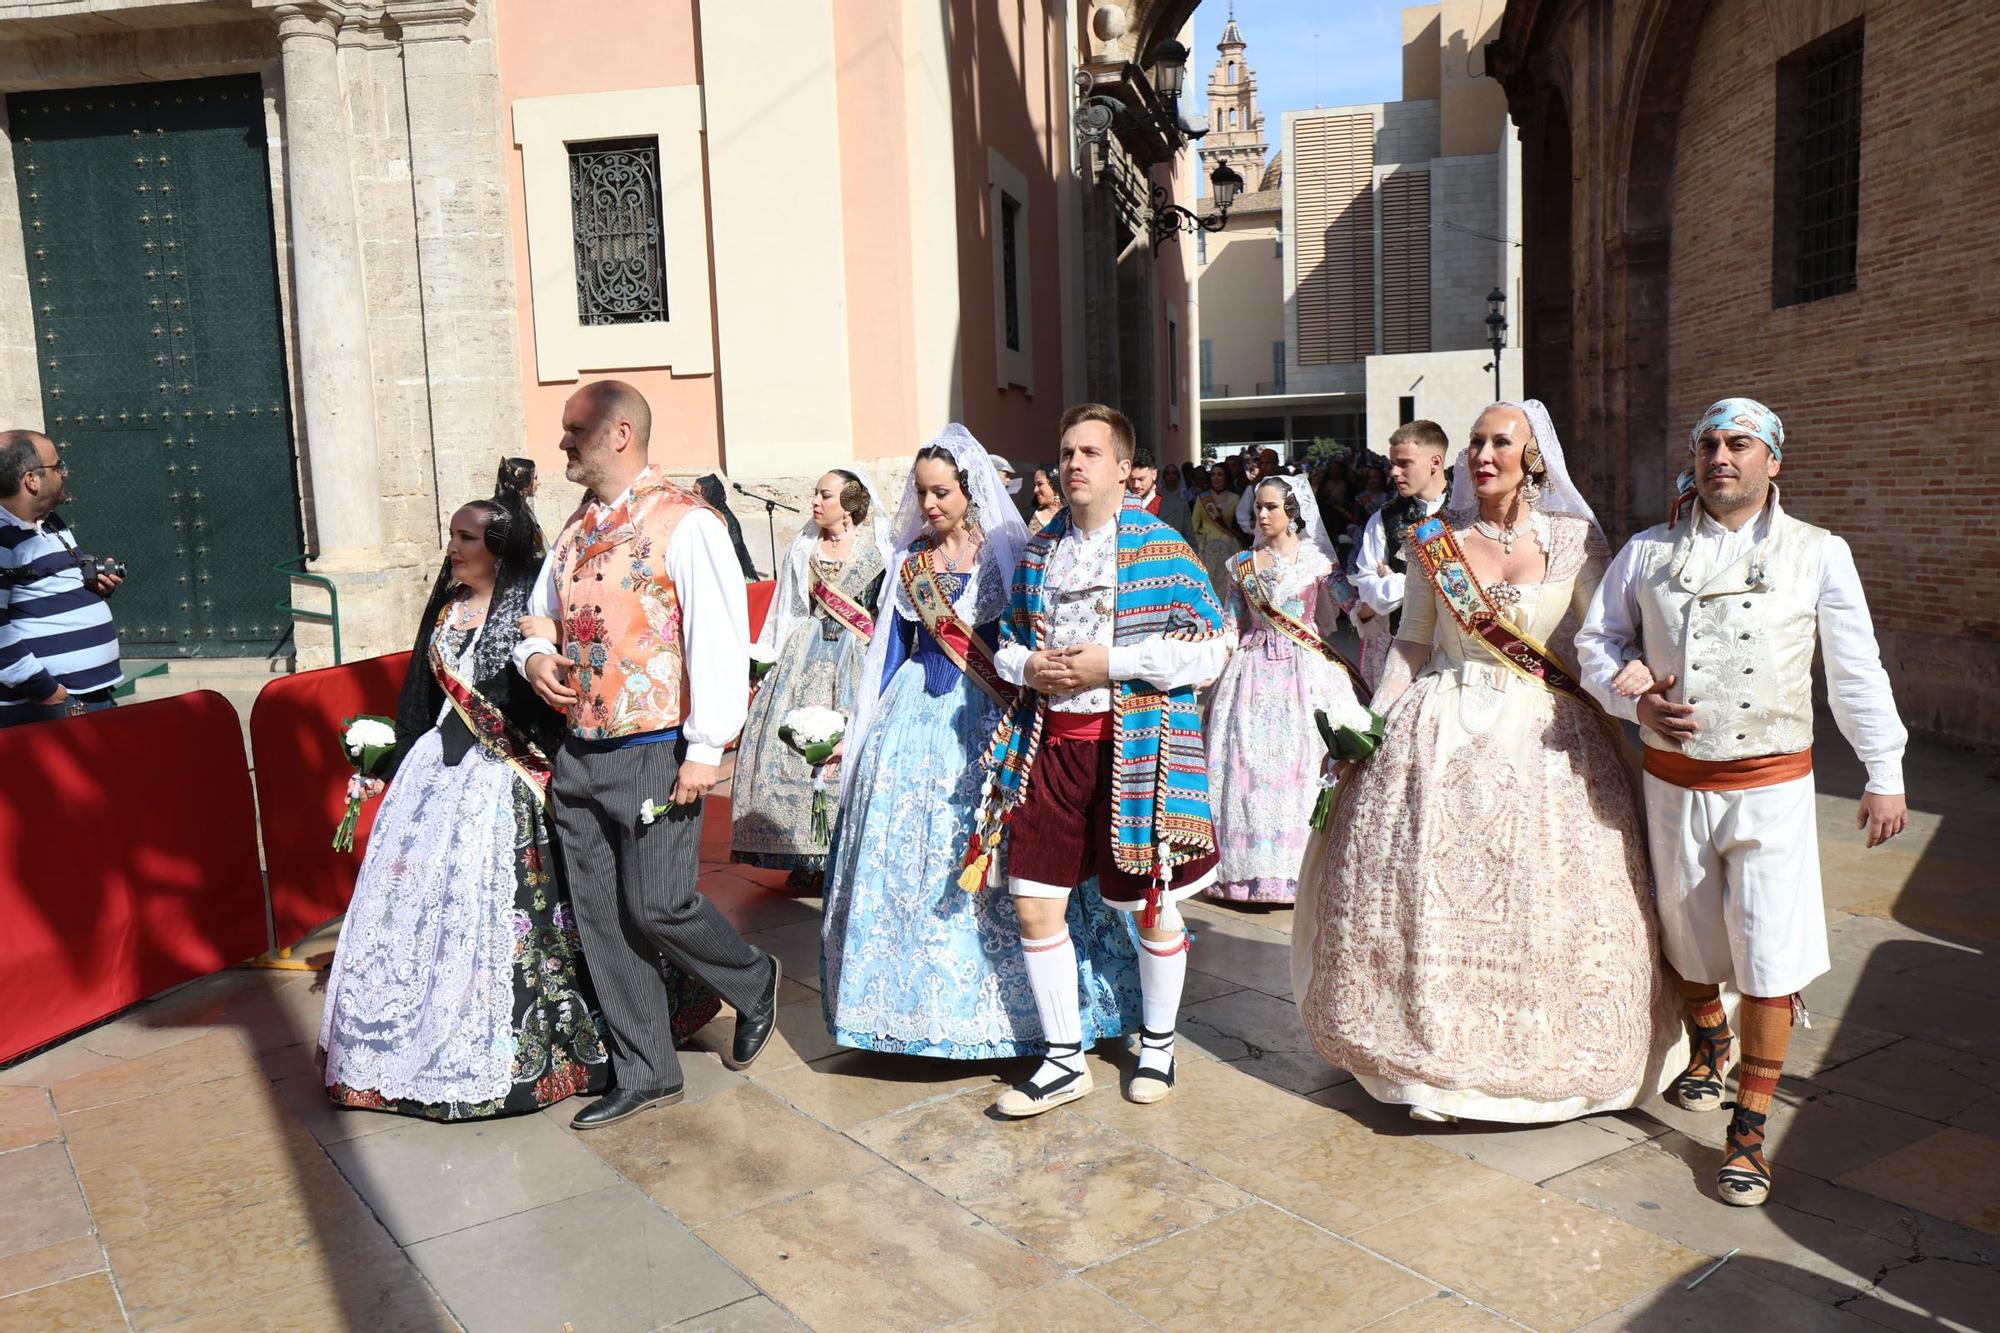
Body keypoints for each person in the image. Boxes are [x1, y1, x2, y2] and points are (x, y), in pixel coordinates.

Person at [1293, 400, 1683, 1124]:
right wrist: (1370, 721)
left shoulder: (1572, 540)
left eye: (1501, 440)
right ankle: (1428, 1057)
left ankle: (1537, 1050)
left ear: (1533, 456)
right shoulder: (1433, 540)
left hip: (1542, 730)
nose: (1483, 452)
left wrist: (1641, 678)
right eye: (1474, 440)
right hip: (1440, 723)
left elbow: (1602, 637)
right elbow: (1411, 642)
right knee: (1424, 892)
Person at [1577, 397, 1908, 1207]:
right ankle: (1708, 1039)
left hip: (1773, 790)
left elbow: (1856, 665)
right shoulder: (1647, 553)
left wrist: (1884, 766)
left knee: (1770, 956)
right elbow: (1597, 642)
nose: (1720, 455)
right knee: (1688, 943)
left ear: (1774, 462)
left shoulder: (1819, 553)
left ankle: (1749, 1131)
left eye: (1740, 443)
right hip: (1672, 783)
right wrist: (1632, 698)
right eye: (1708, 443)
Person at [321, 481, 718, 1119]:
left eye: (466, 538)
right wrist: (386, 764)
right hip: (438, 779)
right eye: (452, 536)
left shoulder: (524, 611)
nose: (452, 549)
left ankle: (561, 1041)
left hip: (506, 783)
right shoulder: (447, 609)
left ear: (499, 550)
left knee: (546, 915)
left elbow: (548, 703)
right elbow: (421, 696)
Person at [820, 425, 1139, 1058]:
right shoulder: (909, 561)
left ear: (971, 492)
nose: (931, 504)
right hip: (912, 719)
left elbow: (1026, 635)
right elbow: (889, 653)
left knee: (1012, 862)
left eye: (943, 492)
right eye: (923, 493)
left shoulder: (1007, 553)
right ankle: (903, 1012)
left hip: (991, 721)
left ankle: (1034, 1012)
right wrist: (856, 736)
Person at [514, 381, 783, 1130]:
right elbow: (540, 609)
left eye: (576, 430)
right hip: (582, 752)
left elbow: (718, 638)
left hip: (657, 745)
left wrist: (705, 747)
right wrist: (537, 656)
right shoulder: (571, 530)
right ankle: (646, 1070)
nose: (564, 441)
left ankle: (752, 975)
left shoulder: (684, 523)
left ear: (622, 432)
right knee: (601, 917)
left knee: (659, 903)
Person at [972, 403, 1233, 1116]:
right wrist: (1034, 670)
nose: (1074, 462)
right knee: (1033, 903)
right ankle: (1063, 1059)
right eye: (1066, 451)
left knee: (1151, 906)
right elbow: (1008, 644)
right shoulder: (1038, 551)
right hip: (1050, 747)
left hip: (1136, 746)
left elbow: (1211, 646)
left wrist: (1109, 663)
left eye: (1090, 451)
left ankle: (1158, 1042)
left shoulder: (1164, 547)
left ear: (1124, 466)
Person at [1205, 476, 1365, 905]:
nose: (1261, 515)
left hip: (1304, 671)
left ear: (1292, 512)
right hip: (1251, 671)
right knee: (1246, 767)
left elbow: (1357, 608)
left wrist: (1389, 589)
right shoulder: (1241, 565)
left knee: (1301, 763)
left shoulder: (1316, 563)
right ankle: (1244, 876)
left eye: (1271, 507)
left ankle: (1300, 871)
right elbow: (1229, 621)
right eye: (1258, 507)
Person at [731, 470, 891, 884]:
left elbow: (889, 609)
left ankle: (846, 850)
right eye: (815, 494)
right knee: (791, 749)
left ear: (851, 503)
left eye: (826, 495)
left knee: (848, 750)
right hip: (807, 655)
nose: (816, 502)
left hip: (859, 655)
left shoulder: (881, 547)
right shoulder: (804, 547)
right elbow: (789, 608)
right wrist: (767, 661)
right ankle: (803, 853)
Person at [0, 430, 123, 728]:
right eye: (57, 467)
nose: (65, 474)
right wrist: (47, 691)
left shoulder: (53, 523)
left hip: (91, 695)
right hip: (51, 706)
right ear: (32, 480)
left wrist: (92, 586)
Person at [1352, 421, 1453, 688]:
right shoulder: (1384, 518)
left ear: (1435, 462)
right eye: (1392, 464)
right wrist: (1402, 584)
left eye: (1404, 463)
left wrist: (1397, 577)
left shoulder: (1468, 510)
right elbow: (1367, 588)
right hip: (1407, 654)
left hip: (1461, 655)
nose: (1395, 472)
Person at [694, 473, 762, 580]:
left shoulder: (727, 520)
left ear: (710, 494)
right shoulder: (703, 515)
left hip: (729, 574)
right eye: (694, 493)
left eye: (698, 493)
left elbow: (735, 550)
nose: (695, 497)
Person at [1190, 463, 1242, 600]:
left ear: (1226, 477)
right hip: (1207, 549)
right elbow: (1195, 525)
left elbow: (1239, 524)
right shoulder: (1202, 498)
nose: (1216, 478)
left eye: (1220, 474)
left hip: (1229, 548)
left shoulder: (1235, 498)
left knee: (1228, 588)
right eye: (1213, 474)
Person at [1126, 446, 1194, 542]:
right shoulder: (1119, 504)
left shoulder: (1178, 505)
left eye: (1141, 479)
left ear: (1154, 475)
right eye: (1132, 479)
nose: (1136, 485)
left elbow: (1190, 544)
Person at [1233, 447, 1283, 535]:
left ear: (1276, 463)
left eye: (1268, 463)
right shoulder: (1253, 487)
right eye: (1262, 463)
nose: (1264, 466)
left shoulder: (1286, 484)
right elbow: (1242, 513)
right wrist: (1254, 531)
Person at [1027, 466, 1064, 532]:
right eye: (1035, 485)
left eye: (1040, 484)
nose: (1035, 490)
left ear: (1053, 484)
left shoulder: (1071, 512)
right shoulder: (1030, 515)